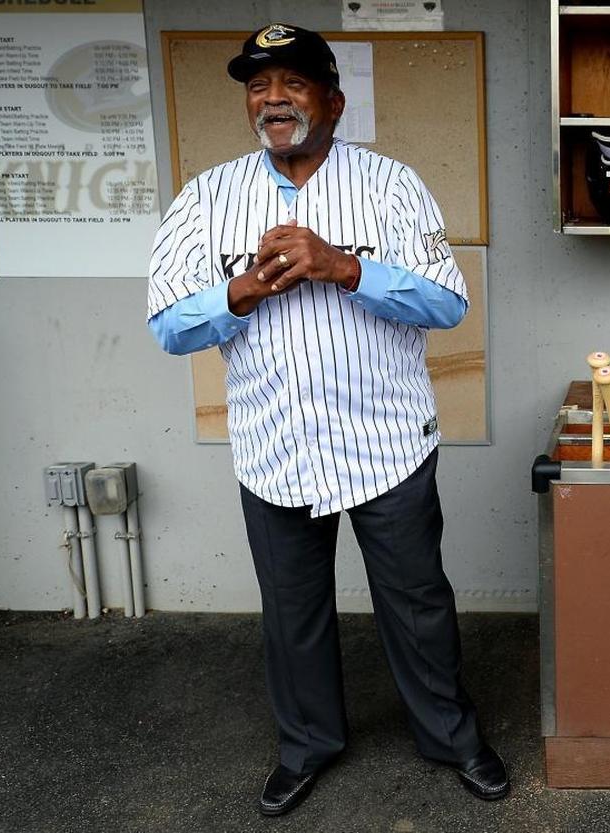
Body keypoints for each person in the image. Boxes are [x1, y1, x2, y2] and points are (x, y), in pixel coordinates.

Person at [146, 23, 509, 817]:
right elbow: (169, 326)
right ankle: (307, 744)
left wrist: (342, 265)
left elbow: (448, 302)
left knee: (417, 603)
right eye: (257, 85)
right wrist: (239, 292)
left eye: (293, 83)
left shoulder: (390, 185)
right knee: (292, 612)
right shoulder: (205, 197)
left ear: (334, 101)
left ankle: (451, 738)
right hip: (274, 443)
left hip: (385, 439)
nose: (272, 98)